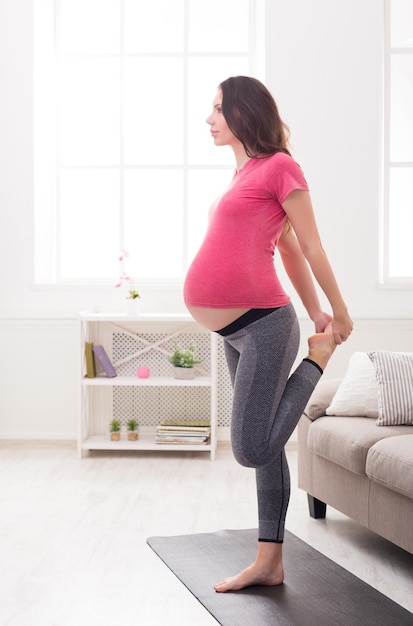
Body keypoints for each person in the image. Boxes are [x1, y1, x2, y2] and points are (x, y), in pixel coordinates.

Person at [183, 76, 353, 593]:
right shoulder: (244, 174)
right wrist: (316, 309)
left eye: (217, 109)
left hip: (264, 326)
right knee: (268, 442)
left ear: (243, 112)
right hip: (237, 330)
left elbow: (310, 245)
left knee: (251, 447)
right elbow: (286, 251)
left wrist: (335, 316)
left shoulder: (281, 167)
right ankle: (269, 563)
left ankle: (318, 361)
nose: (208, 119)